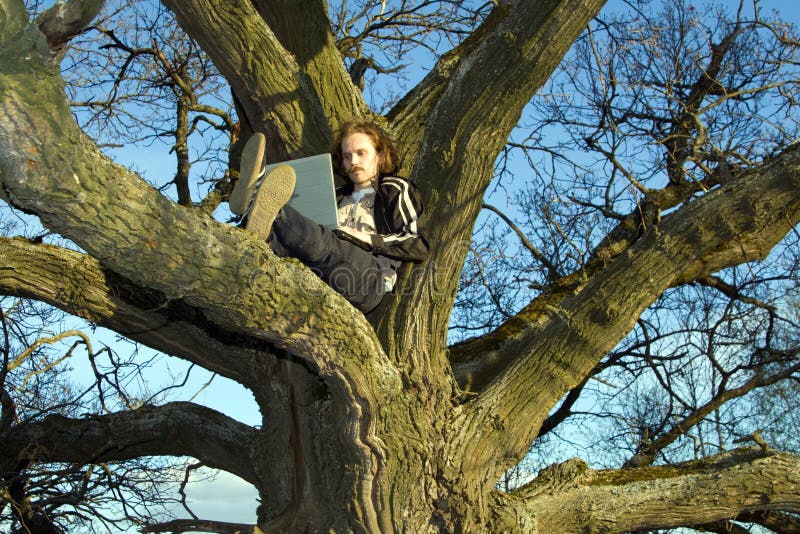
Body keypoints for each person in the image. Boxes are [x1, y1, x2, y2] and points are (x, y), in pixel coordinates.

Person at [229, 120, 429, 313]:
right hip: (321, 272)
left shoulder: (394, 189)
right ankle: (263, 230)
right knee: (300, 241)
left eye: (361, 153)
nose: (354, 162)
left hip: (368, 278)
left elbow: (417, 243)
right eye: (347, 156)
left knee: (325, 241)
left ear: (379, 155)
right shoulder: (336, 194)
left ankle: (264, 202)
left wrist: (366, 238)